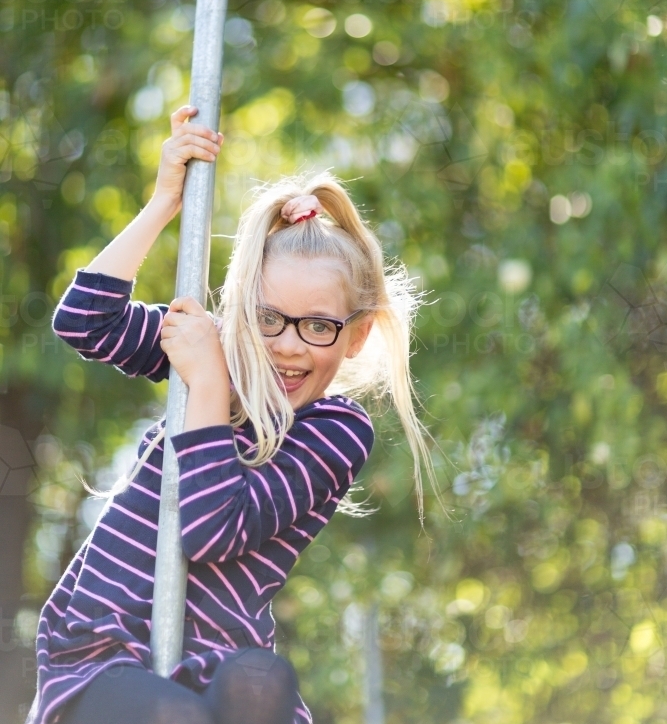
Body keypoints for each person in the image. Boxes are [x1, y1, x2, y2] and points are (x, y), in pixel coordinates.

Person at [28, 105, 438, 724]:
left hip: (211, 663)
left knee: (263, 679)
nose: (288, 345)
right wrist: (166, 200)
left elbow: (213, 528)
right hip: (105, 654)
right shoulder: (209, 348)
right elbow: (84, 318)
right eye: (268, 318)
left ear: (356, 337)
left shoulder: (335, 431)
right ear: (245, 307)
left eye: (319, 326)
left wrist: (208, 379)